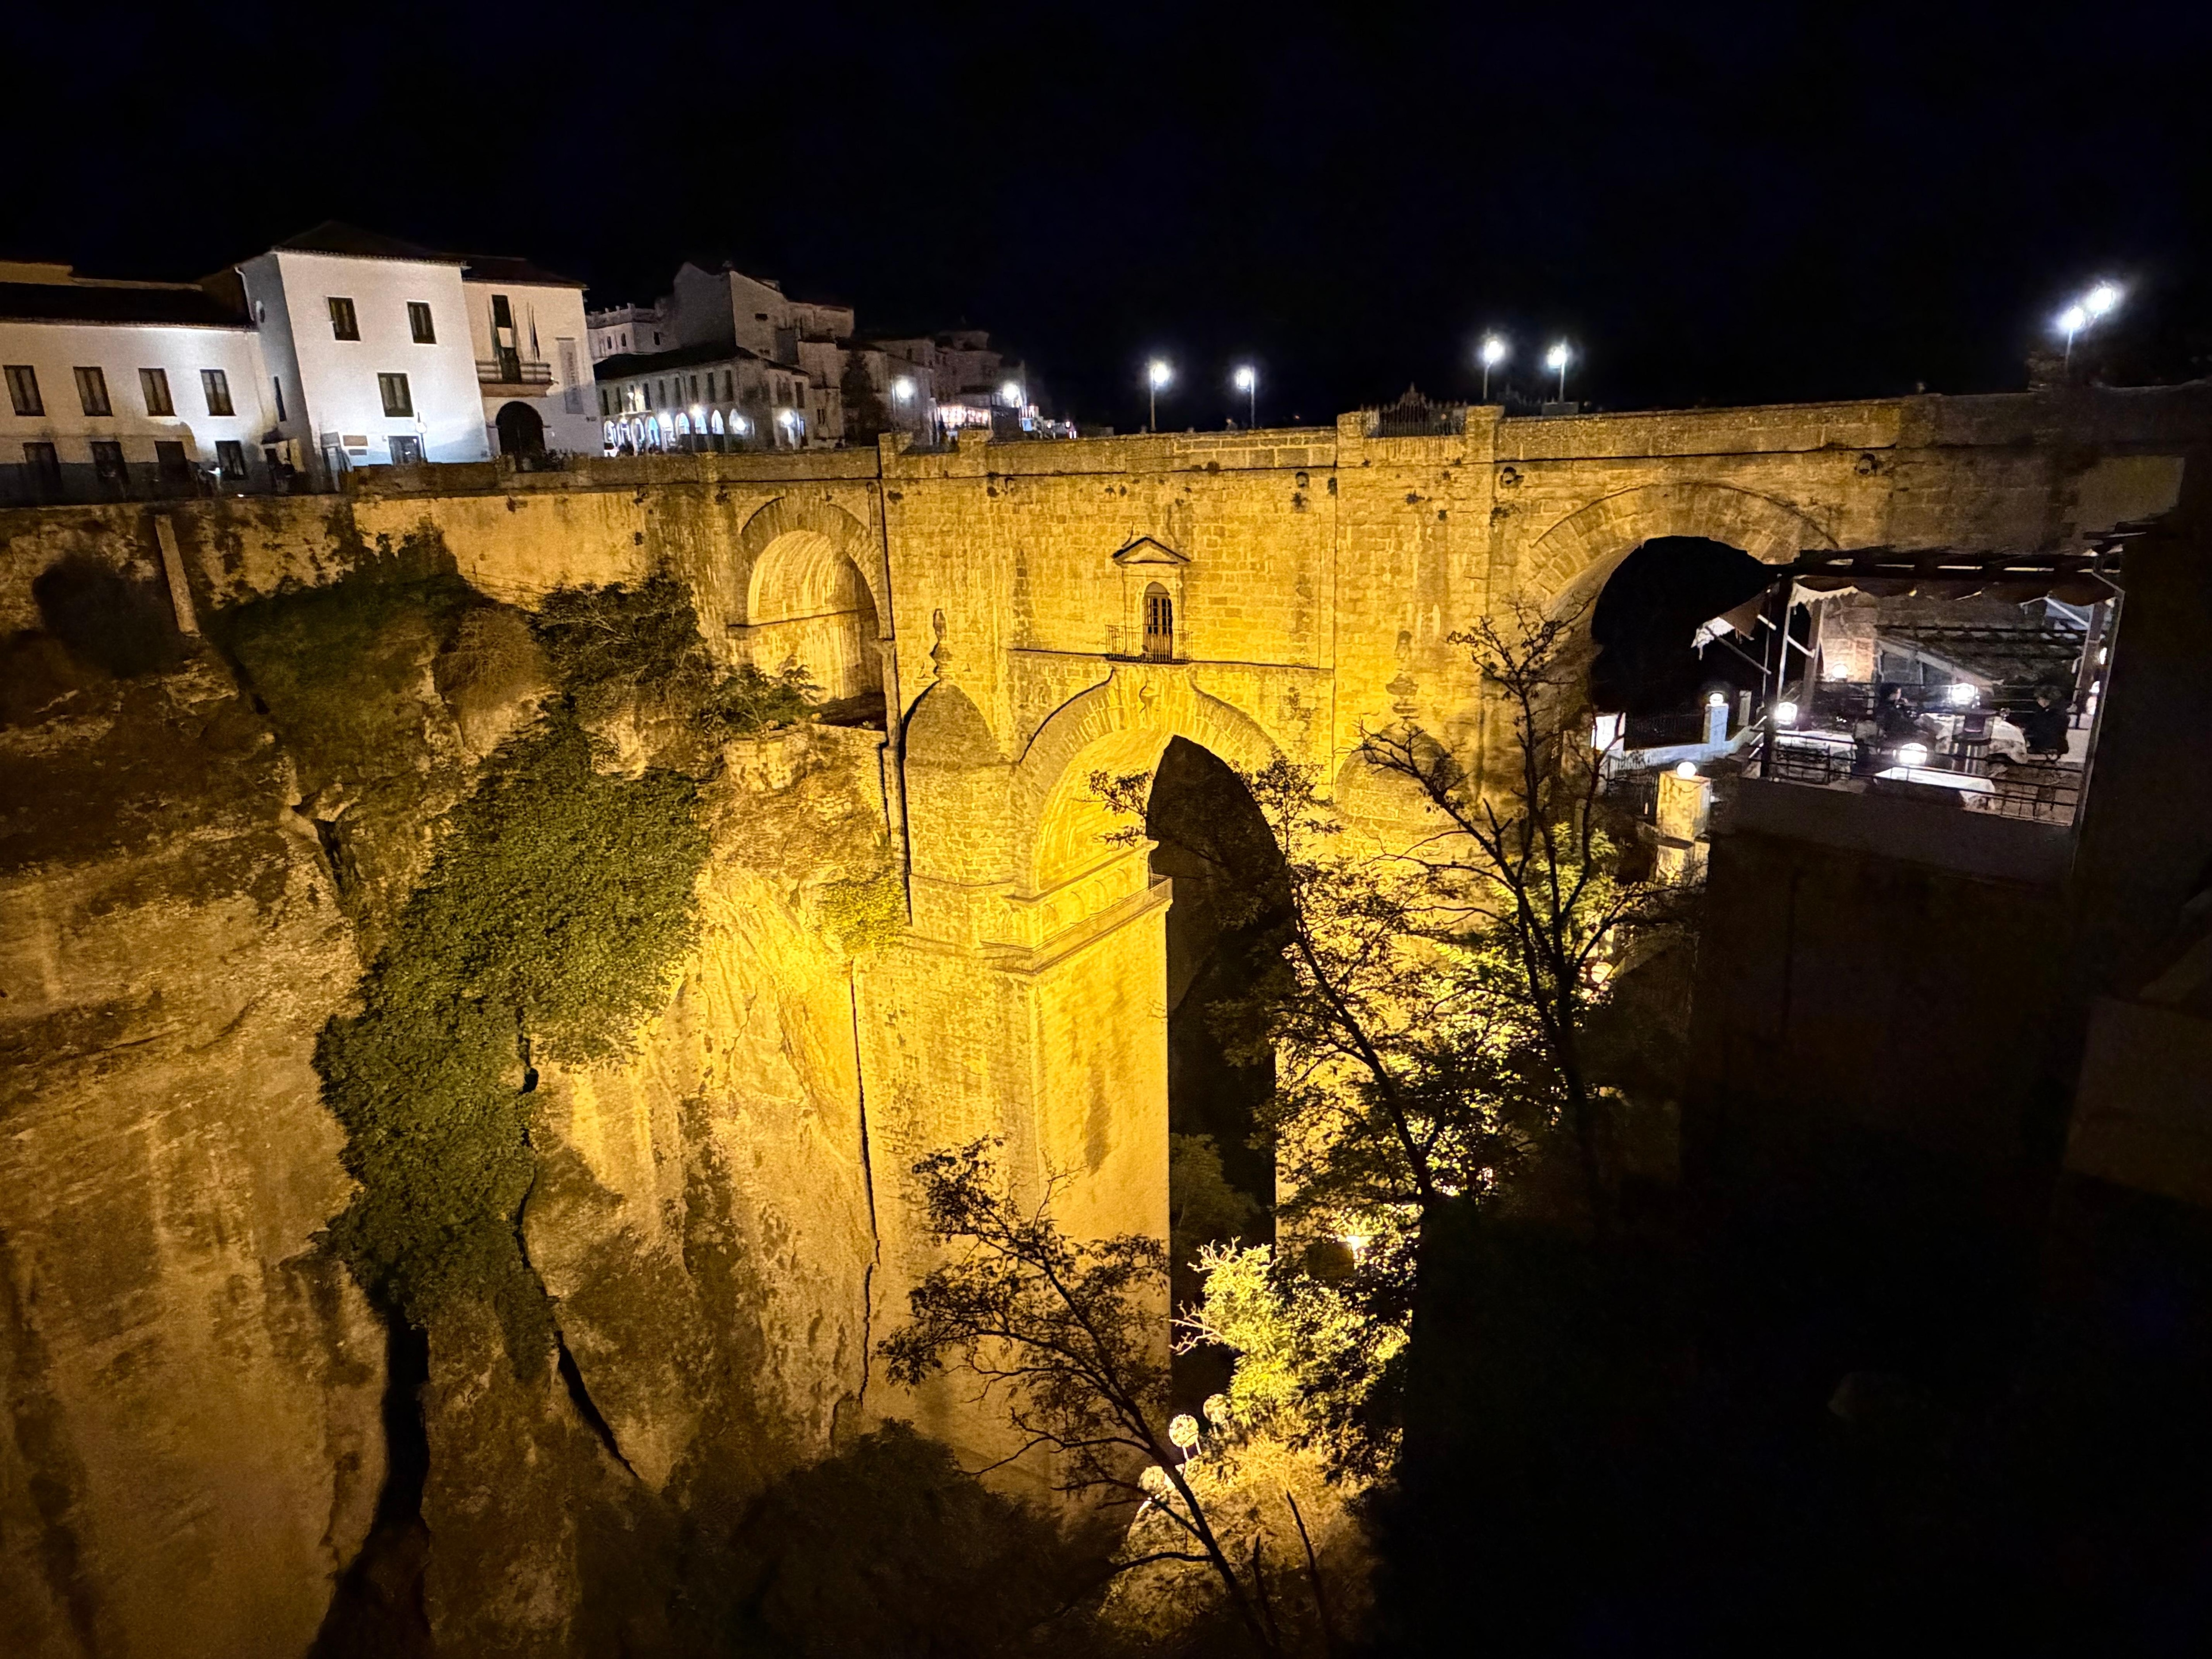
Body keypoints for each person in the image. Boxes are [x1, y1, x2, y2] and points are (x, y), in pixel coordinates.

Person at [2016, 684, 2071, 759]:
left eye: (2040, 699)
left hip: (2047, 745)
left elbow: (2044, 731)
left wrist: (2028, 734)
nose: (2038, 701)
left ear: (2047, 700)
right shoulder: (2045, 712)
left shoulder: (2055, 715)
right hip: (2047, 743)